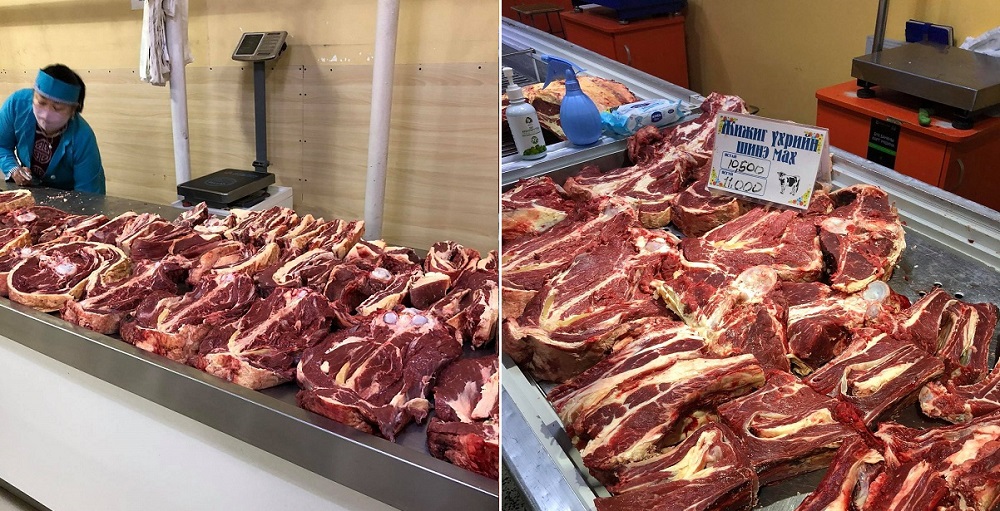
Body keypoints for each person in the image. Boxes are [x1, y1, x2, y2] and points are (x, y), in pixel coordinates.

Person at [0, 64, 106, 194]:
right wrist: (13, 169)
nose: (46, 115)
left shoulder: (83, 137)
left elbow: (89, 195)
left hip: (69, 196)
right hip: (30, 190)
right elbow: (2, 144)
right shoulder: (17, 104)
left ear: (73, 110)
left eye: (58, 108)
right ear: (33, 95)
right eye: (41, 102)